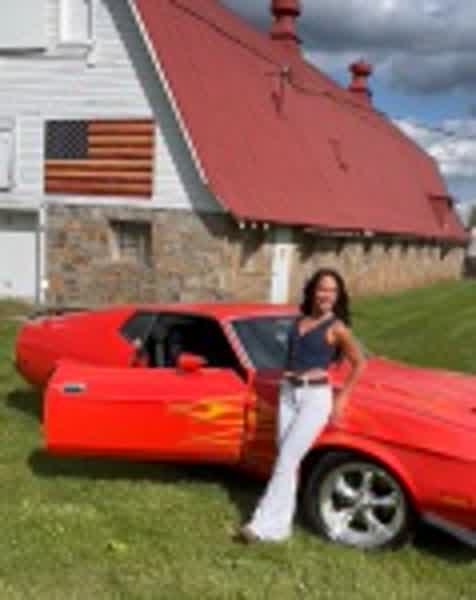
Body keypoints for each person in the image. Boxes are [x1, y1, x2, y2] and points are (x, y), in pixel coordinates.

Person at [239, 268, 365, 543]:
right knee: (286, 460)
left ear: (338, 296)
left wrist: (341, 396)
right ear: (312, 291)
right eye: (322, 289)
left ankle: (259, 524)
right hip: (288, 393)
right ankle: (280, 526)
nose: (326, 295)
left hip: (314, 398)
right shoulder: (299, 321)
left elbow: (359, 362)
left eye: (332, 291)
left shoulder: (336, 328)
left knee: (286, 459)